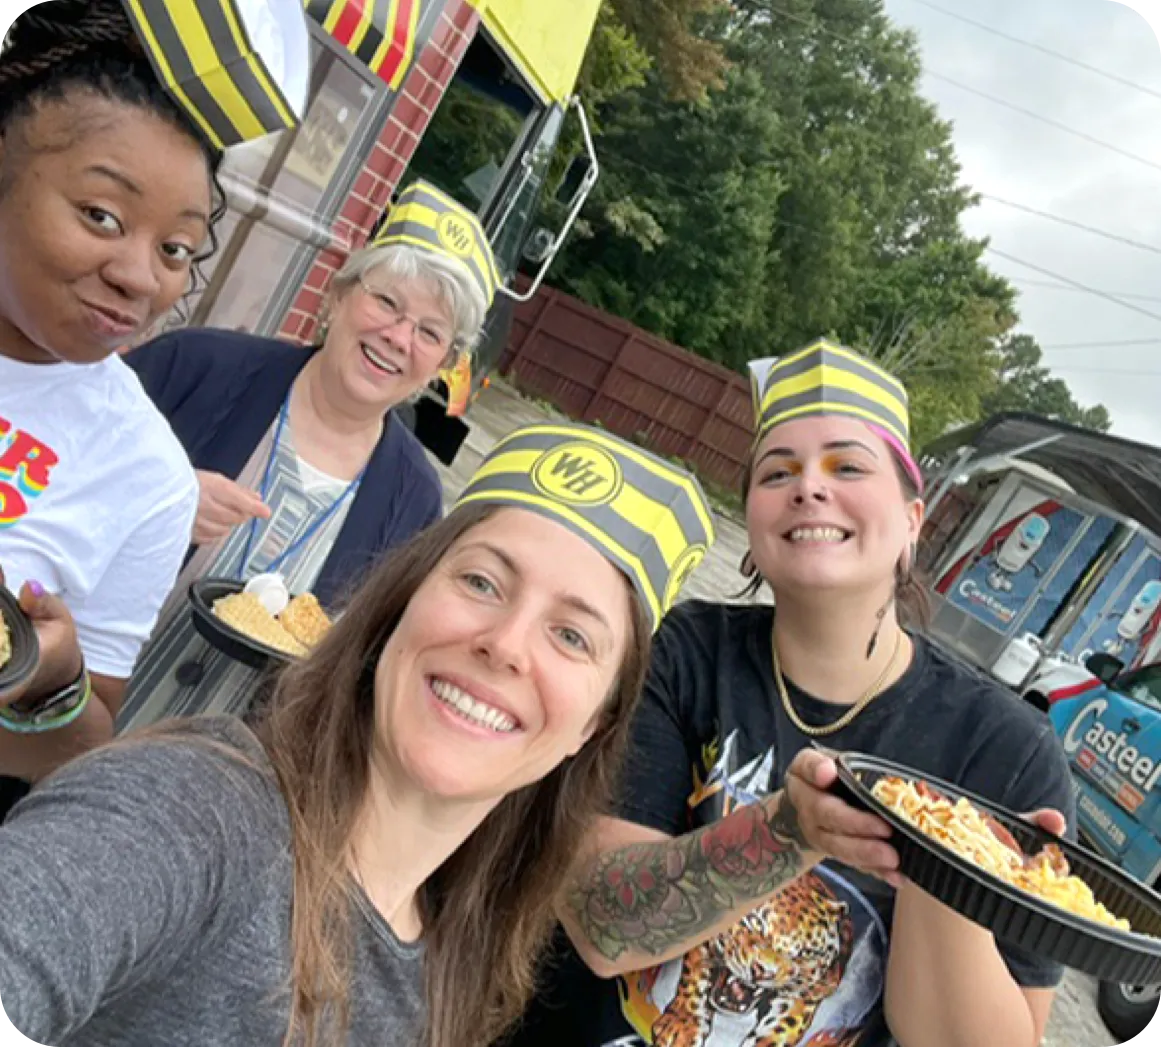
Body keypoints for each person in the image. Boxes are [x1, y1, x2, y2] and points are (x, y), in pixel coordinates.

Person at [0, 421, 716, 1047]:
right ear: (399, 603)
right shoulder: (193, 811)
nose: (505, 644)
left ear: (590, 728)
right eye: (481, 582)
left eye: (570, 634)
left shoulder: (454, 963)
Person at [507, 338, 1076, 1047]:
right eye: (777, 471)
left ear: (911, 522)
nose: (809, 485)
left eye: (847, 465)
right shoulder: (685, 653)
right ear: (751, 522)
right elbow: (598, 924)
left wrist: (949, 866)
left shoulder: (1006, 753)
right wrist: (788, 832)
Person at [0, 0, 307, 814]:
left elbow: (77, 747)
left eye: (176, 248)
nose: (141, 277)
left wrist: (49, 680)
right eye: (102, 215)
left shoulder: (146, 474)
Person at [116, 180, 495, 729]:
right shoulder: (195, 366)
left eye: (429, 332)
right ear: (338, 295)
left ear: (441, 364)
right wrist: (160, 498)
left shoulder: (414, 499)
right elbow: (42, 463)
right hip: (60, 706)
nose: (398, 336)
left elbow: (373, 668)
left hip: (215, 776)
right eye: (387, 301)